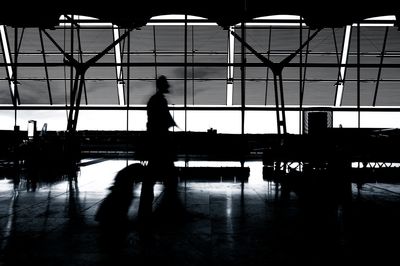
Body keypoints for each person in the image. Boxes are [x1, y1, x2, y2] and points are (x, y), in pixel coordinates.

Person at [138, 75, 178, 222]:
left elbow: (152, 123)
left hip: (156, 145)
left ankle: (146, 210)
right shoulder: (159, 101)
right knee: (167, 179)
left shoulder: (155, 100)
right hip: (160, 145)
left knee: (151, 179)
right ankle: (167, 209)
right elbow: (159, 123)